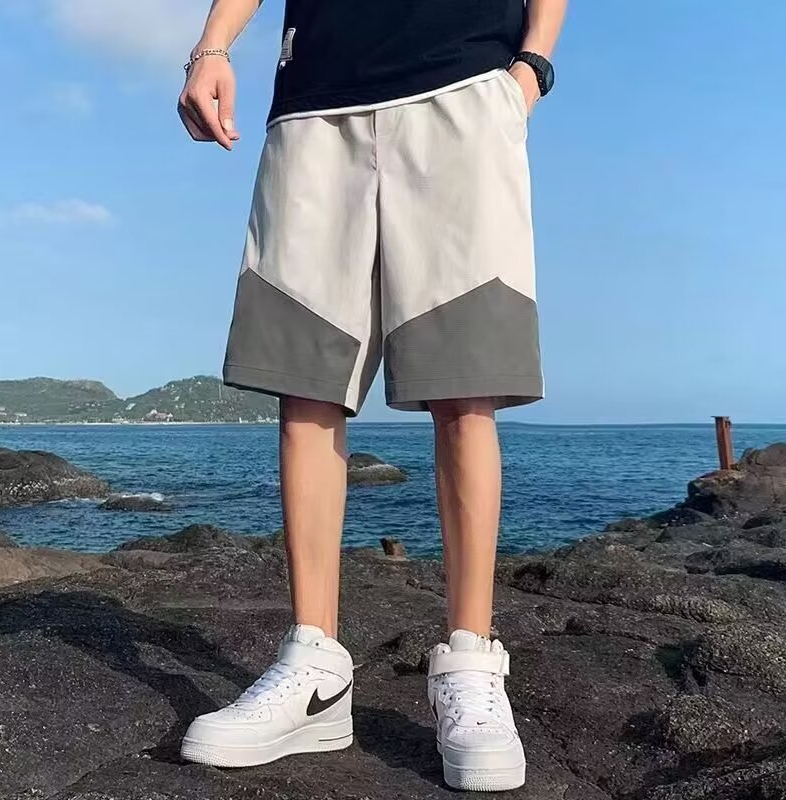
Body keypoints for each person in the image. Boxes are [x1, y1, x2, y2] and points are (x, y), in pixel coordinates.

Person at [177, 0, 566, 791]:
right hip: (314, 102)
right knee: (305, 385)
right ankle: (315, 669)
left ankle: (470, 663)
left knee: (466, 385)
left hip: (463, 88)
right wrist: (211, 46)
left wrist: (530, 70)